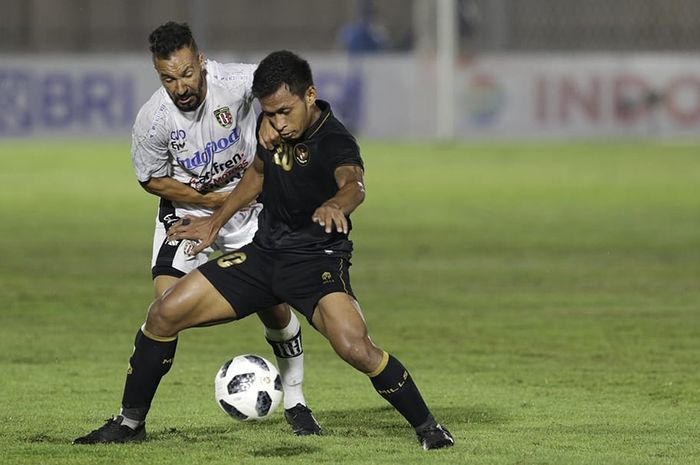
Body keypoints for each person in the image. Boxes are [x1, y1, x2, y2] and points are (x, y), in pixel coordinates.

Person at [75, 49, 454, 450]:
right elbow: (256, 176)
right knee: (164, 312)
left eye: (285, 111)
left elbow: (354, 183)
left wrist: (336, 204)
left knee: (354, 346)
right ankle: (130, 423)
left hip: (315, 264)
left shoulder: (335, 140)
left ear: (310, 95)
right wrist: (214, 221)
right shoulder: (270, 126)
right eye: (269, 113)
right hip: (262, 257)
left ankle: (429, 428)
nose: (278, 122)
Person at [73, 23, 319, 443]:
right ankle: (131, 423)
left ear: (200, 60)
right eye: (168, 78)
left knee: (276, 306)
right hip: (188, 216)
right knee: (164, 311)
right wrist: (207, 204)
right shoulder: (154, 118)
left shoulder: (237, 82)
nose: (180, 86)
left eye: (187, 73)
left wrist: (267, 121)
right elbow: (150, 179)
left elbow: (283, 86)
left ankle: (295, 400)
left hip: (249, 210)